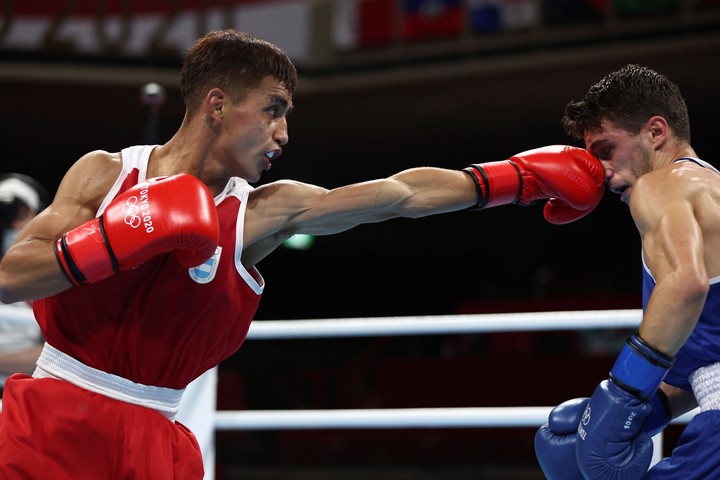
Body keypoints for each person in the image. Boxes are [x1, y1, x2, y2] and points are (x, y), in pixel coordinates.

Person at [0, 29, 604, 479]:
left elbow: (398, 196)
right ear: (216, 105)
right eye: (273, 110)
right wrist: (120, 234)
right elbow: (10, 278)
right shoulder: (105, 176)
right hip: (47, 416)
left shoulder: (261, 211)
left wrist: (517, 178)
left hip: (154, 442)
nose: (284, 134)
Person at [535, 64, 720, 479]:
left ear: (656, 132)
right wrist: (644, 413)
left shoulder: (661, 185)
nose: (599, 171)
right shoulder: (711, 190)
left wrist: (621, 394)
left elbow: (684, 284)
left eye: (605, 149)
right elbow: (712, 367)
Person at [0, 173, 49, 395]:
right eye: (5, 216)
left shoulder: (53, 282)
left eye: (21, 215)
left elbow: (59, 358)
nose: (13, 225)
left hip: (22, 398)